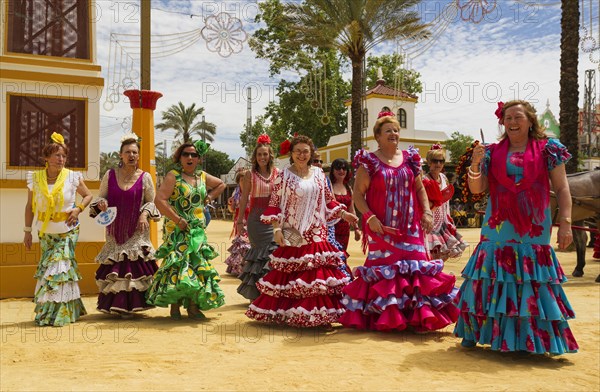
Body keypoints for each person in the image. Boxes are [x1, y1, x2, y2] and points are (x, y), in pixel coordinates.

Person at [454, 100, 578, 354]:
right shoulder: (492, 152)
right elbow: (478, 190)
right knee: (490, 274)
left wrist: (565, 222)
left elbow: (563, 188)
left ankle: (533, 339)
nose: (512, 122)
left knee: (532, 277)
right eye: (507, 118)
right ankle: (476, 331)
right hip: (498, 224)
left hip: (534, 224)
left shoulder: (548, 149)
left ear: (530, 120)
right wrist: (476, 166)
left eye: (518, 117)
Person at [339, 110, 459, 332]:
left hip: (411, 226)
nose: (393, 133)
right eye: (388, 130)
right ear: (377, 136)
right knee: (385, 270)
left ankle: (416, 318)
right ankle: (387, 318)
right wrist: (370, 218)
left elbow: (420, 188)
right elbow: (357, 195)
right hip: (381, 228)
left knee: (415, 268)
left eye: (396, 129)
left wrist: (426, 212)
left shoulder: (410, 159)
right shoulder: (369, 162)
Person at [245, 135, 358, 328]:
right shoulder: (283, 176)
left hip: (317, 230)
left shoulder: (320, 175)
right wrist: (277, 229)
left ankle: (320, 317)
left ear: (311, 153)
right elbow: (274, 204)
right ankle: (295, 315)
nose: (302, 155)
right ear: (291, 154)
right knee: (296, 276)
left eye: (306, 151)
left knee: (317, 275)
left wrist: (344, 214)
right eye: (298, 151)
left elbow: (329, 200)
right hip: (293, 232)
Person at [146, 140, 226, 319]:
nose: (190, 157)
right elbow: (160, 200)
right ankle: (174, 306)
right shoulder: (173, 176)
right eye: (186, 154)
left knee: (196, 266)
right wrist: (177, 219)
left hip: (197, 230)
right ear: (179, 158)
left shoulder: (202, 177)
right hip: (177, 229)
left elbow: (222, 184)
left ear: (198, 159)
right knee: (177, 265)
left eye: (194, 155)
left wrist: (209, 197)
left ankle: (193, 306)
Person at [24, 132, 93, 326]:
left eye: (63, 156)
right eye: (56, 155)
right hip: (46, 232)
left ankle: (61, 313)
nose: (61, 159)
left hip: (68, 229)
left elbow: (88, 196)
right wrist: (27, 230)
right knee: (49, 271)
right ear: (46, 157)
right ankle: (51, 312)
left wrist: (78, 209)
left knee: (59, 266)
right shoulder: (35, 179)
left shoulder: (72, 177)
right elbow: (29, 207)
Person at [90, 134, 160, 317]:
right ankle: (117, 306)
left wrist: (144, 214)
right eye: (128, 152)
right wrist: (101, 204)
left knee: (132, 268)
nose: (131, 155)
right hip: (114, 231)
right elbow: (100, 197)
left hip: (137, 232)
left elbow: (151, 202)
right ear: (120, 155)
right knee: (117, 268)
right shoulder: (110, 175)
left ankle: (134, 306)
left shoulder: (145, 177)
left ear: (138, 155)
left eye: (135, 152)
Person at [236, 135, 279, 300]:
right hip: (256, 221)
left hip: (273, 220)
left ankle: (270, 294)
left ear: (270, 156)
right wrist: (240, 221)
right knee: (259, 256)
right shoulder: (249, 175)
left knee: (273, 254)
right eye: (259, 154)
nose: (262, 157)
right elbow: (244, 197)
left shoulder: (278, 173)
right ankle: (258, 296)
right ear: (255, 157)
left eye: (265, 154)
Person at [422, 144, 468, 261]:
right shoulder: (424, 180)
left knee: (444, 255)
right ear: (429, 162)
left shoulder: (444, 178)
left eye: (441, 161)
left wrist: (448, 219)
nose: (438, 164)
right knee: (431, 256)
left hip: (442, 222)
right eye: (435, 161)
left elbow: (446, 202)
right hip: (429, 223)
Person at [329, 158, 361, 251]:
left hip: (345, 229)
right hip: (332, 228)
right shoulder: (329, 186)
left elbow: (351, 210)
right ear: (333, 171)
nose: (341, 171)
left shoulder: (348, 188)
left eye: (344, 168)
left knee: (343, 254)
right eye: (338, 168)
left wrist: (356, 228)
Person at [224, 169, 250, 276]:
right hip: (240, 220)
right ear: (238, 181)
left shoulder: (254, 191)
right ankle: (238, 269)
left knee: (249, 245)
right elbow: (231, 210)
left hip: (251, 220)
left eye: (246, 180)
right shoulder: (236, 193)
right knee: (240, 244)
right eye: (241, 180)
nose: (244, 182)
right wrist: (230, 204)